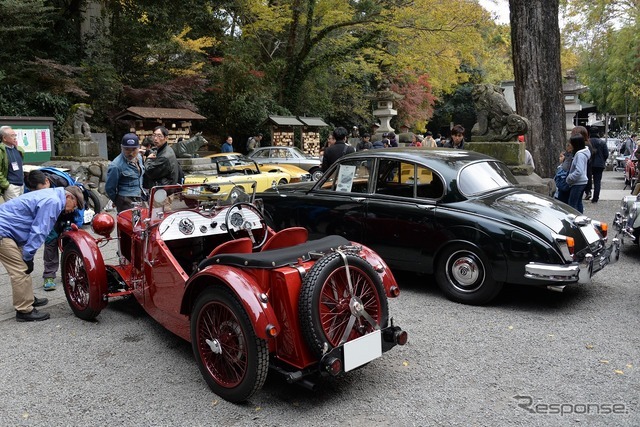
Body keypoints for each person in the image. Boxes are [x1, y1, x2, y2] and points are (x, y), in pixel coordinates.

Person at [0, 185, 84, 321]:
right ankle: (24, 311)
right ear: (69, 197)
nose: (73, 209)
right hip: (3, 232)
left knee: (24, 267)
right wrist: (28, 256)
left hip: (9, 230)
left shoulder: (53, 194)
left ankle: (27, 298)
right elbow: (39, 230)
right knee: (20, 271)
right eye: (75, 205)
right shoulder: (54, 201)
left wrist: (28, 255)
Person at [25, 168, 85, 291]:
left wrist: (77, 224)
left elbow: (78, 202)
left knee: (70, 242)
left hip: (69, 212)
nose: (40, 195)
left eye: (41, 191)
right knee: (50, 241)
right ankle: (49, 275)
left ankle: (70, 271)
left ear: (47, 181)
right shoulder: (29, 189)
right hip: (48, 215)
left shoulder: (63, 182)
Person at [105, 133, 145, 212]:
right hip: (125, 200)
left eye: (134, 149)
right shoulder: (116, 166)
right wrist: (117, 201)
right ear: (121, 148)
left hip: (139, 196)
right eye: (127, 149)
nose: (130, 153)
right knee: (128, 223)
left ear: (138, 148)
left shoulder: (139, 158)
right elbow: (109, 188)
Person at [565, 134, 590, 213]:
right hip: (582, 181)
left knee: (572, 204)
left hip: (578, 182)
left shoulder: (579, 155)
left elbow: (579, 170)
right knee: (578, 203)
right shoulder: (582, 154)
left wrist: (570, 178)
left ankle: (575, 221)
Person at [0, 126, 25, 202]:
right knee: (14, 211)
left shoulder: (17, 149)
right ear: (4, 138)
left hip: (21, 185)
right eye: (12, 135)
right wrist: (6, 185)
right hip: (11, 187)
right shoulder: (1, 151)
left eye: (15, 135)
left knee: (21, 208)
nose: (15, 137)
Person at [587, 126, 608, 203]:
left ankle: (587, 192)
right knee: (597, 181)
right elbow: (606, 154)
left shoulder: (587, 142)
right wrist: (603, 160)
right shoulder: (602, 142)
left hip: (589, 163)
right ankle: (595, 198)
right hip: (599, 164)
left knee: (587, 179)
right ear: (598, 133)